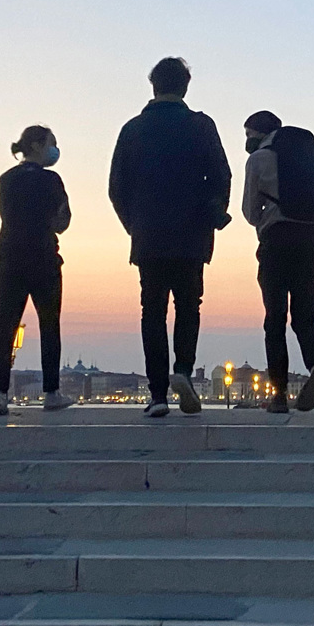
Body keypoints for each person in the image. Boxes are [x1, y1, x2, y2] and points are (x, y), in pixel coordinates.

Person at [109, 57, 232, 418]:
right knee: (189, 306)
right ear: (186, 87)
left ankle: (158, 393)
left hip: (149, 236)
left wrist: (134, 224)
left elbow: (116, 188)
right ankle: (183, 371)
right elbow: (222, 175)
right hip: (192, 234)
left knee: (153, 311)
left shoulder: (132, 129)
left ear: (153, 86)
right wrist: (213, 210)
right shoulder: (201, 126)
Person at [241, 110, 314, 414]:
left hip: (277, 238)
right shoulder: (312, 153)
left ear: (256, 132)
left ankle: (279, 394)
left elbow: (251, 213)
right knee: (305, 314)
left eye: (247, 135)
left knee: (275, 318)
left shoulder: (259, 159)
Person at [0, 124, 74, 416]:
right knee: (50, 325)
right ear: (37, 146)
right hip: (44, 258)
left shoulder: (6, 179)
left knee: (5, 326)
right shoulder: (51, 180)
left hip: (9, 258)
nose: (55, 149)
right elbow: (62, 221)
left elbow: (7, 215)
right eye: (51, 142)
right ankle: (52, 392)